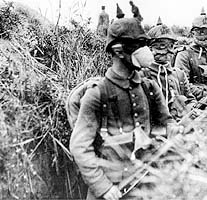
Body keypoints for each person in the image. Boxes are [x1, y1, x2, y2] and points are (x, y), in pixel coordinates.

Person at [69, 18, 184, 200]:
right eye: (138, 44)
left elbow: (166, 121)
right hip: (111, 188)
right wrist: (103, 187)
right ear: (118, 50)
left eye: (144, 44)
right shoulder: (97, 94)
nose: (144, 50)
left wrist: (173, 130)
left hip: (146, 182)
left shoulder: (149, 88)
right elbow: (79, 147)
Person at [141, 24, 197, 120]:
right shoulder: (142, 75)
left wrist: (190, 109)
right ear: (150, 49)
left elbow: (191, 100)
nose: (168, 51)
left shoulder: (179, 74)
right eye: (162, 46)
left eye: (171, 46)